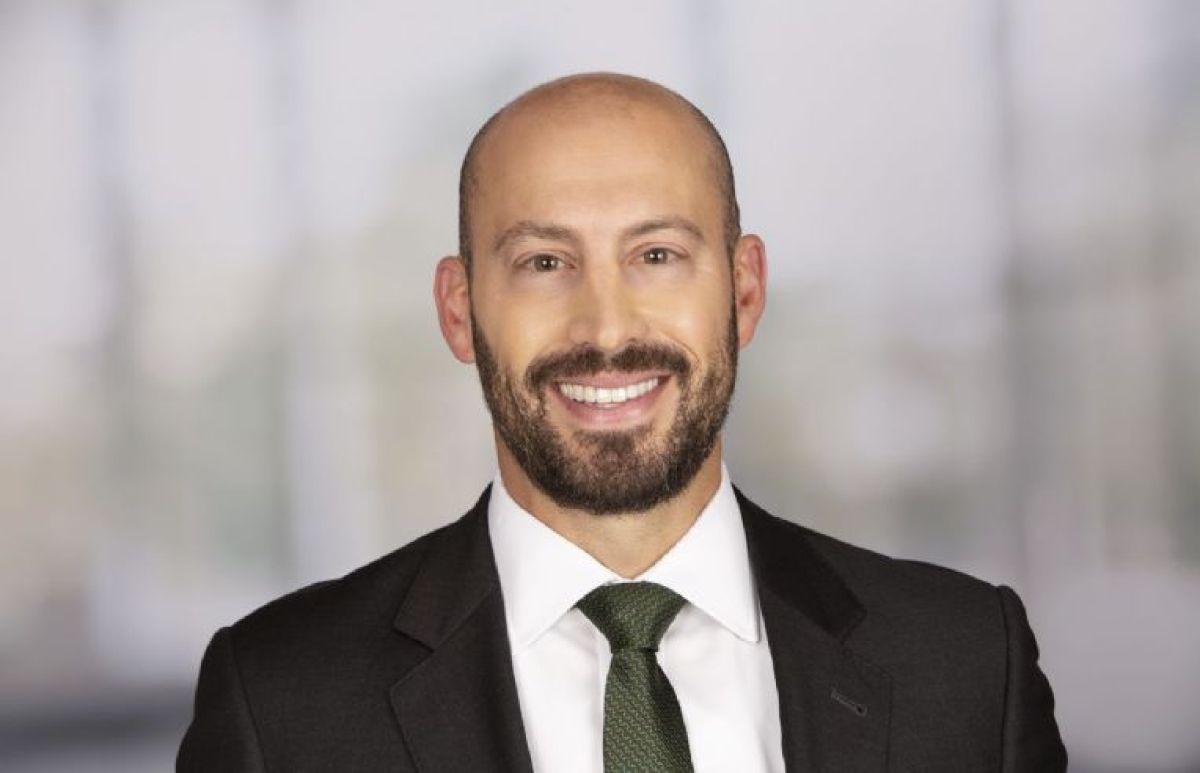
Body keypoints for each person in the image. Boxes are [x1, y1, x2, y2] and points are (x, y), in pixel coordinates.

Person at [178, 72, 1066, 772]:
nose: (605, 330)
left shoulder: (965, 665)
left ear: (744, 291)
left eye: (657, 255)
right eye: (544, 262)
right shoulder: (282, 702)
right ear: (458, 308)